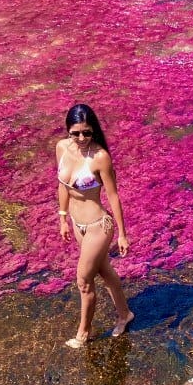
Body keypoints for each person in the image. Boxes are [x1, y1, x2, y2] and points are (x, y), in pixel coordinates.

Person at [57, 103, 134, 348]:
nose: (81, 138)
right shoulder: (61, 148)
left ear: (94, 131)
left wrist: (122, 234)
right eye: (76, 133)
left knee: (83, 281)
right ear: (68, 131)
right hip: (77, 224)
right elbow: (62, 185)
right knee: (104, 272)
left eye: (87, 133)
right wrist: (62, 218)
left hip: (99, 227)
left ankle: (84, 333)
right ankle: (125, 314)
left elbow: (113, 196)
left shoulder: (100, 158)